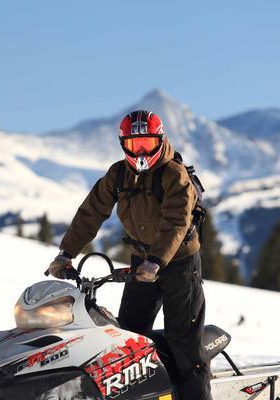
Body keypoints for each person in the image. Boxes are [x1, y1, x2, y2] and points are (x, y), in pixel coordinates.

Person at [48, 110, 211, 400]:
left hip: (179, 264)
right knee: (129, 339)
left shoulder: (174, 174)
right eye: (134, 145)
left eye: (146, 144)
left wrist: (157, 261)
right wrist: (66, 253)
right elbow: (91, 212)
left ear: (159, 141)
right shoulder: (119, 174)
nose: (140, 152)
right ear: (123, 144)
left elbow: (176, 222)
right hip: (141, 262)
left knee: (185, 345)